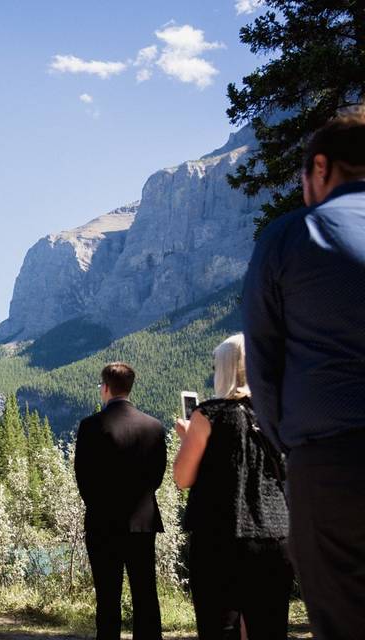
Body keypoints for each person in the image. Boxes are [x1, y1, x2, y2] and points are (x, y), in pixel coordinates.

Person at [242, 108, 365, 640]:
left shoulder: (292, 236)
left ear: (321, 167)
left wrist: (291, 448)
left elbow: (263, 367)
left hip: (335, 465)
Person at [173, 334, 292, 639]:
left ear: (224, 370)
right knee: (270, 628)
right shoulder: (280, 413)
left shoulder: (207, 415)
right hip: (275, 535)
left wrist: (188, 439)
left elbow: (182, 478)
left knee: (219, 628)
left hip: (218, 537)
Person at [75, 362, 165, 640]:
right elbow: (157, 477)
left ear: (104, 388)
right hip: (142, 523)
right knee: (146, 595)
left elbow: (83, 478)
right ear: (129, 388)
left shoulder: (91, 426)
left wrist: (100, 506)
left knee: (108, 598)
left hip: (103, 524)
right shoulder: (154, 427)